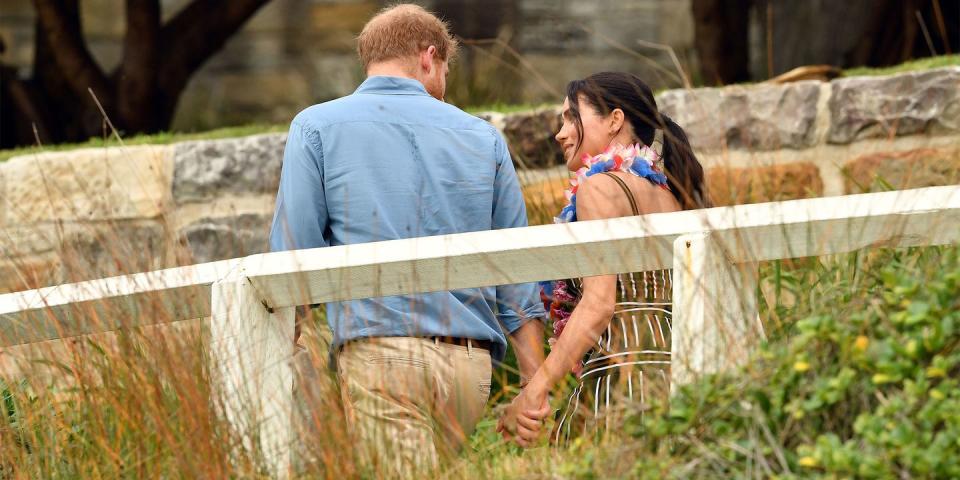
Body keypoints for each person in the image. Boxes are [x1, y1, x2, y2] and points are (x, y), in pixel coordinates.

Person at [268, 4, 546, 473]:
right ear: (428, 57)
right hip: (470, 368)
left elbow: (294, 254)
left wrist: (280, 349)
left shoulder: (316, 126)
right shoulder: (483, 138)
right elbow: (516, 275)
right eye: (445, 71)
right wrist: (535, 385)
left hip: (381, 353)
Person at [497, 72, 709, 446]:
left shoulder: (599, 187)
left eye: (570, 117)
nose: (560, 133)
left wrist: (536, 389)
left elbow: (598, 304)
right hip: (681, 373)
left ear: (615, 119)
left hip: (622, 378)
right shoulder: (670, 193)